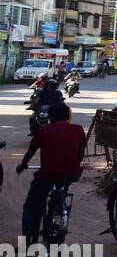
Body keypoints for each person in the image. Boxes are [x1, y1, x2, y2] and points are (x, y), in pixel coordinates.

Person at [16, 102, 85, 243]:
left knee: (32, 205)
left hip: (47, 174)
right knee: (62, 188)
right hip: (71, 173)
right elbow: (81, 153)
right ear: (68, 116)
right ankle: (60, 207)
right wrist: (74, 164)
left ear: (50, 117)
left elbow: (31, 152)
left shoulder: (43, 130)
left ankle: (28, 239)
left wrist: (23, 165)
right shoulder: (78, 129)